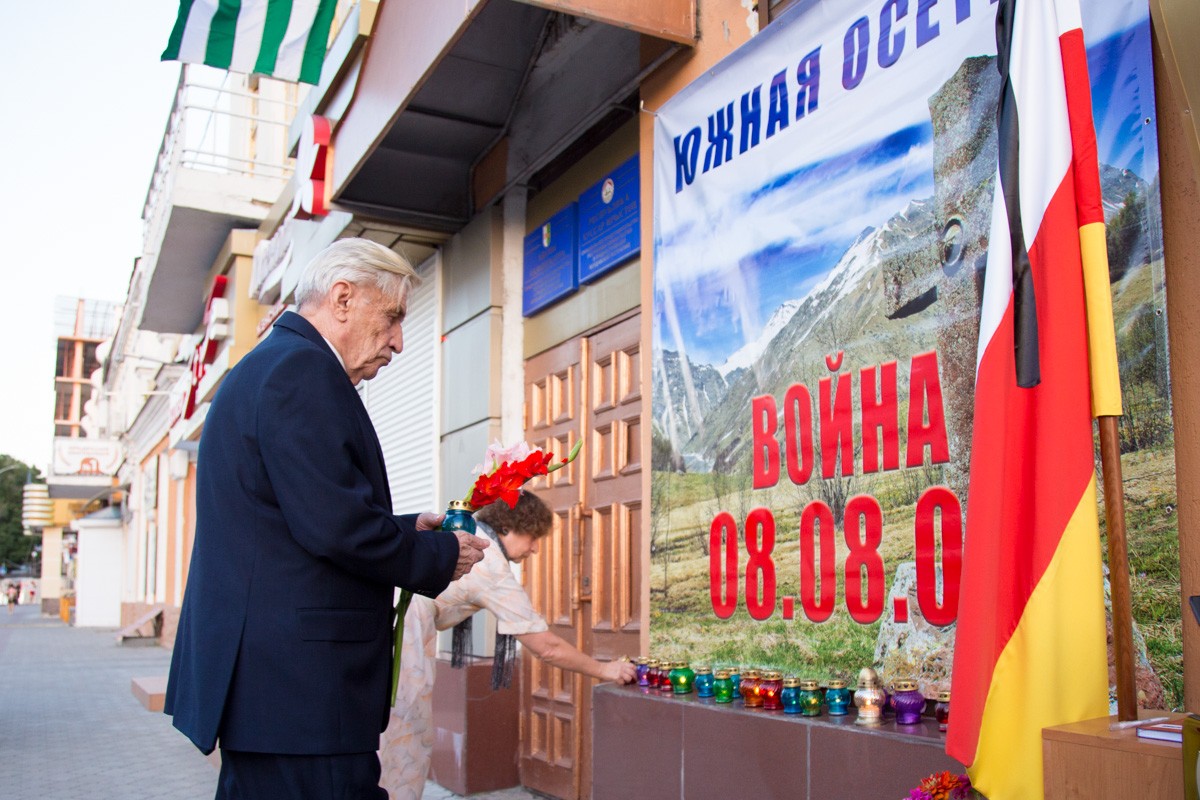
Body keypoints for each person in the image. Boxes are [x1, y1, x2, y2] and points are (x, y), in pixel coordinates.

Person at [164, 238, 488, 800]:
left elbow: (297, 516)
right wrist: (439, 554)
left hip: (278, 694)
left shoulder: (270, 366)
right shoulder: (301, 371)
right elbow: (336, 528)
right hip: (301, 693)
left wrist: (403, 529)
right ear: (342, 298)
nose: (399, 341)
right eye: (392, 317)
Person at [380, 490, 637, 799]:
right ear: (507, 526)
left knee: (382, 735)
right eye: (533, 537)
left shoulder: (466, 533)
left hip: (385, 624)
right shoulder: (488, 561)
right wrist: (605, 670)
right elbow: (546, 646)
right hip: (405, 636)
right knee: (404, 740)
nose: (535, 548)